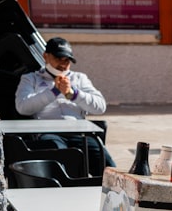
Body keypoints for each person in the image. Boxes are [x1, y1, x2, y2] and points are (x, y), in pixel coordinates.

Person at [15, 37, 115, 175]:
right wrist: (53, 92)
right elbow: (22, 107)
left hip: (78, 133)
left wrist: (73, 94)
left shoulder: (79, 78)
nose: (63, 64)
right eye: (59, 58)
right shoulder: (31, 78)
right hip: (48, 132)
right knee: (62, 158)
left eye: (67, 60)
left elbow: (100, 107)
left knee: (108, 166)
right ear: (46, 56)